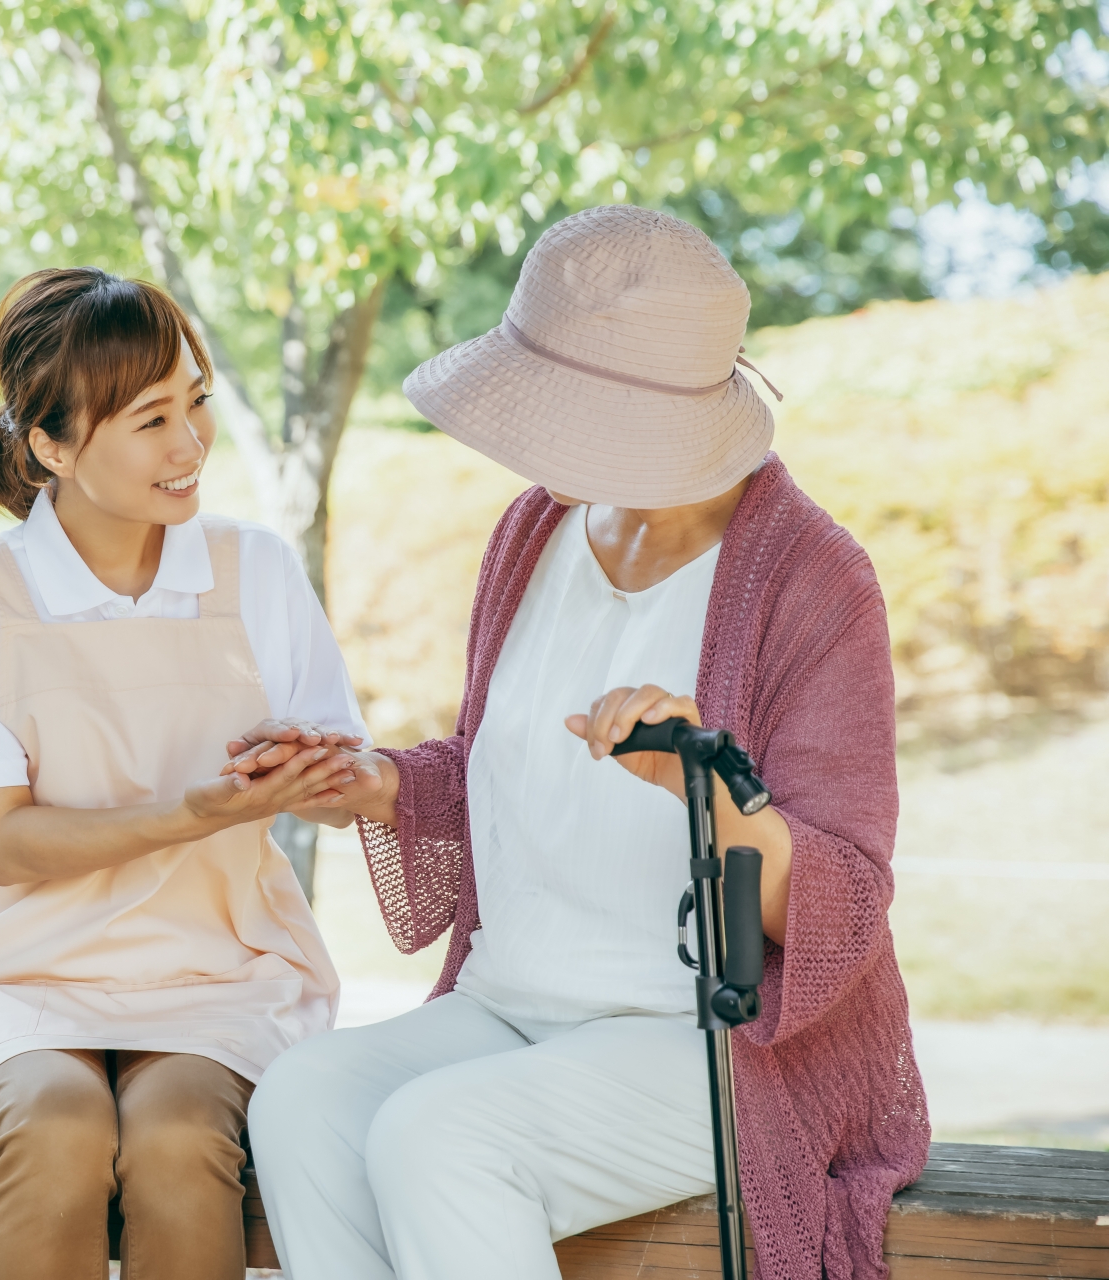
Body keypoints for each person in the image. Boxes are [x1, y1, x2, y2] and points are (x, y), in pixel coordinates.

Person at [239, 206, 930, 1280]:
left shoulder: (810, 579)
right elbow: (495, 770)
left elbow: (844, 892)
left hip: (709, 1049)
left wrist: (699, 780)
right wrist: (373, 784)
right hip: (510, 1004)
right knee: (302, 1100)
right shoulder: (534, 532)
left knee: (440, 1136)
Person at [0, 267, 368, 1280]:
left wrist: (317, 774)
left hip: (219, 967)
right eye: (152, 417)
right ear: (51, 445)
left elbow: (344, 784)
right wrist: (191, 812)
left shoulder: (257, 571)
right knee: (60, 1132)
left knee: (174, 1144)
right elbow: (6, 844)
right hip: (18, 973)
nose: (191, 441)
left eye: (195, 400)